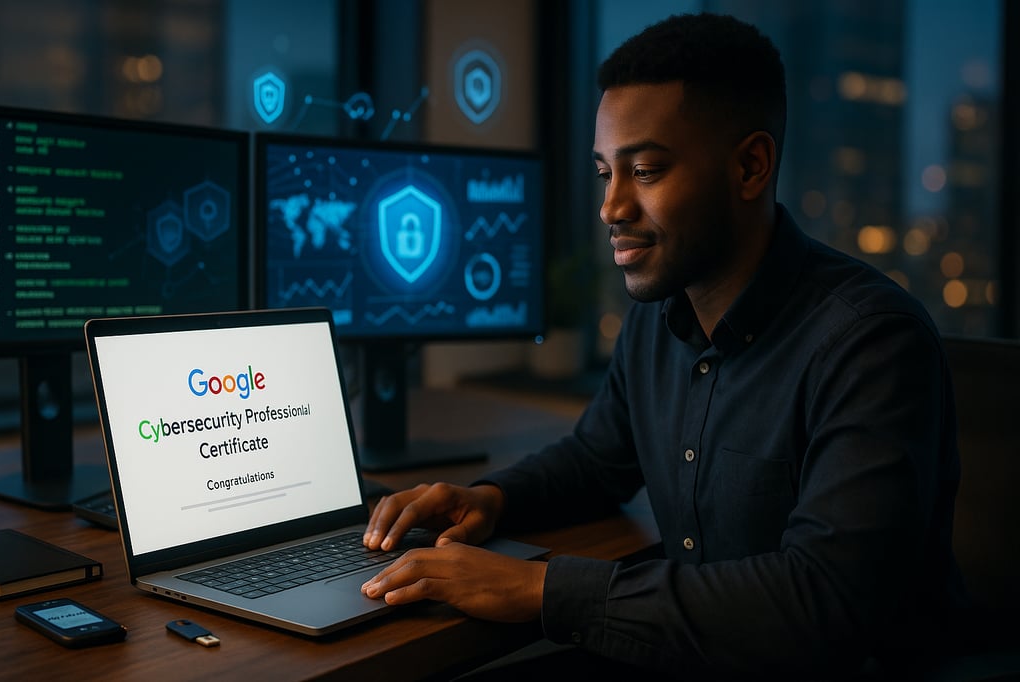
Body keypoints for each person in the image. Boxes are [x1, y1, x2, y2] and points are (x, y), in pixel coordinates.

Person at [361, 12, 967, 679]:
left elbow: (821, 605)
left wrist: (537, 589)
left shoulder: (871, 343)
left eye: (645, 171)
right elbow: (597, 461)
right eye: (603, 174)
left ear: (750, 167)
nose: (611, 208)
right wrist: (488, 500)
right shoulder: (658, 317)